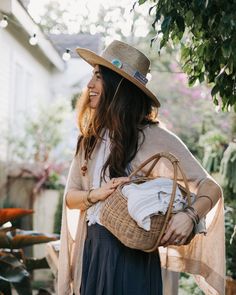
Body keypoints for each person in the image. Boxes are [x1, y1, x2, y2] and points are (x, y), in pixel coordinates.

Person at [58, 40, 225, 295]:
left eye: (98, 77)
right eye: (91, 77)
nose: (89, 86)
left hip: (133, 259)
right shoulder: (89, 140)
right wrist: (97, 194)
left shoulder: (152, 137)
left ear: (118, 87)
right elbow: (70, 197)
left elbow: (210, 187)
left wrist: (190, 216)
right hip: (93, 252)